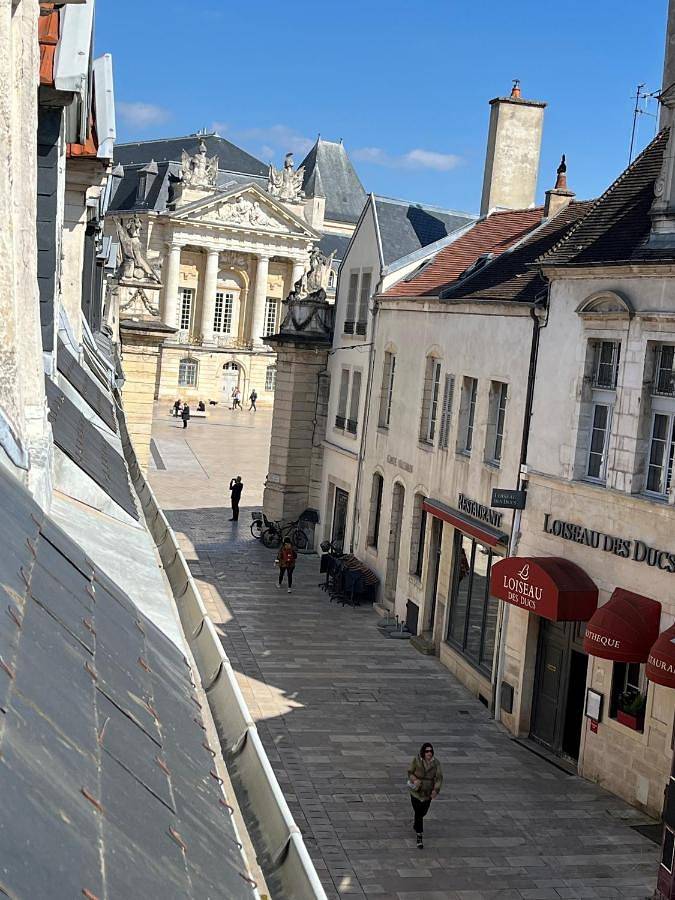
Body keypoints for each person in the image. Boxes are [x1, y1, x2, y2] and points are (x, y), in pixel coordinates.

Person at [407, 742, 442, 849]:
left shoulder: (436, 763)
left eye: (431, 751)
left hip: (427, 793)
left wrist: (436, 790)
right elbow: (409, 772)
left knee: (423, 812)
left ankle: (416, 825)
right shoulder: (416, 760)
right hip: (416, 792)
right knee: (418, 812)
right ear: (423, 752)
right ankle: (419, 836)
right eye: (427, 751)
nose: (429, 753)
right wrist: (415, 779)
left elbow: (439, 778)